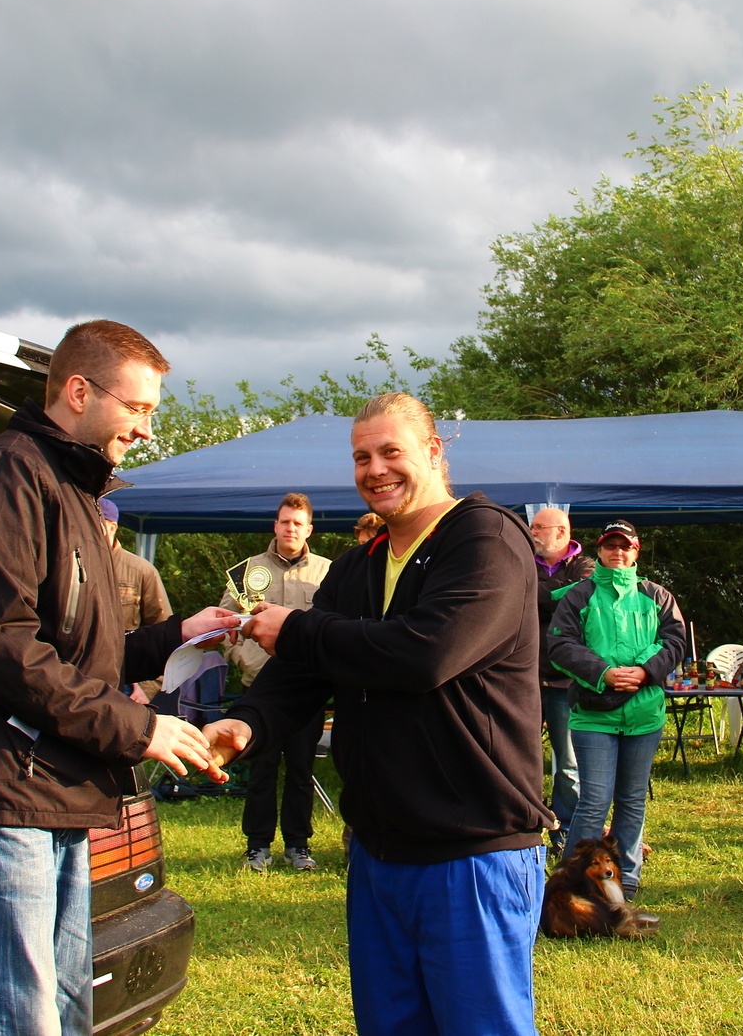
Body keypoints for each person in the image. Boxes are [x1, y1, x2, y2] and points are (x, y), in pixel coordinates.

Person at [0, 320, 237, 1036]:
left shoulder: (74, 490)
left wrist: (179, 633)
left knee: (65, 1009)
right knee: (19, 1019)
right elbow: (0, 644)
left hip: (53, 792)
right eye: (137, 408)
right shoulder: (8, 475)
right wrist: (139, 728)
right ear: (79, 391)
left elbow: (86, 652)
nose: (146, 429)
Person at [203, 392, 553, 1036]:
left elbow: (427, 653)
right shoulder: (361, 563)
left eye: (392, 451)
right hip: (377, 850)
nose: (375, 470)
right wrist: (246, 721)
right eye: (361, 457)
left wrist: (299, 629)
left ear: (434, 451)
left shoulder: (486, 537)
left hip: (472, 851)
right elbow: (306, 670)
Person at [548, 518, 685, 904]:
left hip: (644, 714)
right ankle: (574, 883)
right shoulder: (579, 595)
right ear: (599, 550)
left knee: (632, 799)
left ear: (636, 550)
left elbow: (675, 642)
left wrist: (644, 671)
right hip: (594, 715)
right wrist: (604, 673)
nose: (617, 552)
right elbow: (560, 645)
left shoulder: (657, 595)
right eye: (610, 545)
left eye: (625, 546)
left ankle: (625, 883)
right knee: (594, 800)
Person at [220, 493, 331, 872]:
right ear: (275, 525)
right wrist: (243, 658)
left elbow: (336, 628)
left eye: (298, 523)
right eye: (285, 522)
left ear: (309, 529)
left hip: (306, 691)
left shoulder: (327, 572)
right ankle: (257, 846)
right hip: (259, 689)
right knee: (261, 770)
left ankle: (298, 845)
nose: (291, 529)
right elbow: (224, 624)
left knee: (301, 770)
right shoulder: (248, 571)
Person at [528, 506, 596, 855]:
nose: (532, 532)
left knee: (568, 763)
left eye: (539, 527)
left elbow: (578, 598)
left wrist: (539, 594)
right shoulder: (522, 561)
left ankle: (565, 829)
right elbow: (517, 596)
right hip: (525, 678)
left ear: (561, 532)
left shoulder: (585, 566)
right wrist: (554, 594)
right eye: (532, 526)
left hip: (565, 681)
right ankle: (526, 827)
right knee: (521, 758)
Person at [99, 496, 173, 704]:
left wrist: (147, 687)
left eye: (94, 524)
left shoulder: (141, 571)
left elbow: (165, 634)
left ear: (112, 527)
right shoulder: (70, 566)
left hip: (126, 685)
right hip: (77, 680)